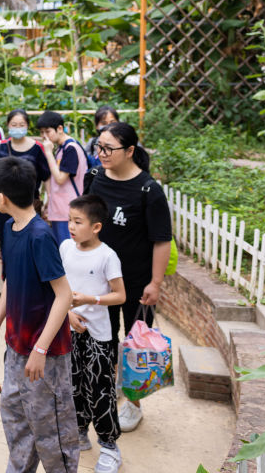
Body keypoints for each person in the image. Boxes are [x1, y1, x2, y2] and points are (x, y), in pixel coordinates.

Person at [0, 157, 79, 473]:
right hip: (16, 347)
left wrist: (40, 349)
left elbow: (63, 294)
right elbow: (11, 280)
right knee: (15, 416)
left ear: (2, 197)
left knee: (51, 429)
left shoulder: (40, 235)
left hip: (45, 355)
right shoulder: (10, 228)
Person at [83, 121, 172, 433]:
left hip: (136, 283)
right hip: (99, 281)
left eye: (109, 149)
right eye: (99, 147)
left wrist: (155, 283)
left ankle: (134, 404)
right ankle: (107, 393)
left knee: (137, 345)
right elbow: (85, 222)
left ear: (130, 151)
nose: (102, 154)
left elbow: (162, 240)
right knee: (102, 341)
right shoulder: (93, 178)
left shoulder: (149, 190)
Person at [60, 195, 126, 473]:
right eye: (70, 220)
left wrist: (90, 299)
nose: (71, 227)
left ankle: (110, 446)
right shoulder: (65, 247)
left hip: (98, 335)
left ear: (96, 227)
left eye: (78, 222)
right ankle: (79, 433)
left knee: (100, 390)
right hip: (69, 329)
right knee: (72, 385)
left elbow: (120, 295)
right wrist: (68, 313)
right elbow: (60, 286)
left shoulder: (107, 256)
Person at [37, 110, 89, 245]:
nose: (44, 137)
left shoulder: (70, 148)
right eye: (41, 133)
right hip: (61, 210)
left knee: (67, 251)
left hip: (69, 211)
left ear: (60, 128)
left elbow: (60, 178)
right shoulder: (61, 148)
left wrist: (48, 152)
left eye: (47, 132)